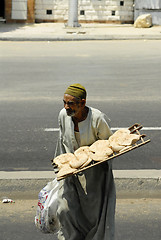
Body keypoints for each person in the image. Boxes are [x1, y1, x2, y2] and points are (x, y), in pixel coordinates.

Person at [55, 83, 116, 240]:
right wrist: (60, 167)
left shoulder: (97, 119)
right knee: (65, 209)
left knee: (93, 216)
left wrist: (92, 158)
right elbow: (61, 142)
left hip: (95, 175)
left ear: (82, 103)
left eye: (71, 103)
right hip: (70, 172)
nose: (66, 107)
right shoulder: (63, 115)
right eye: (64, 102)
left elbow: (109, 145)